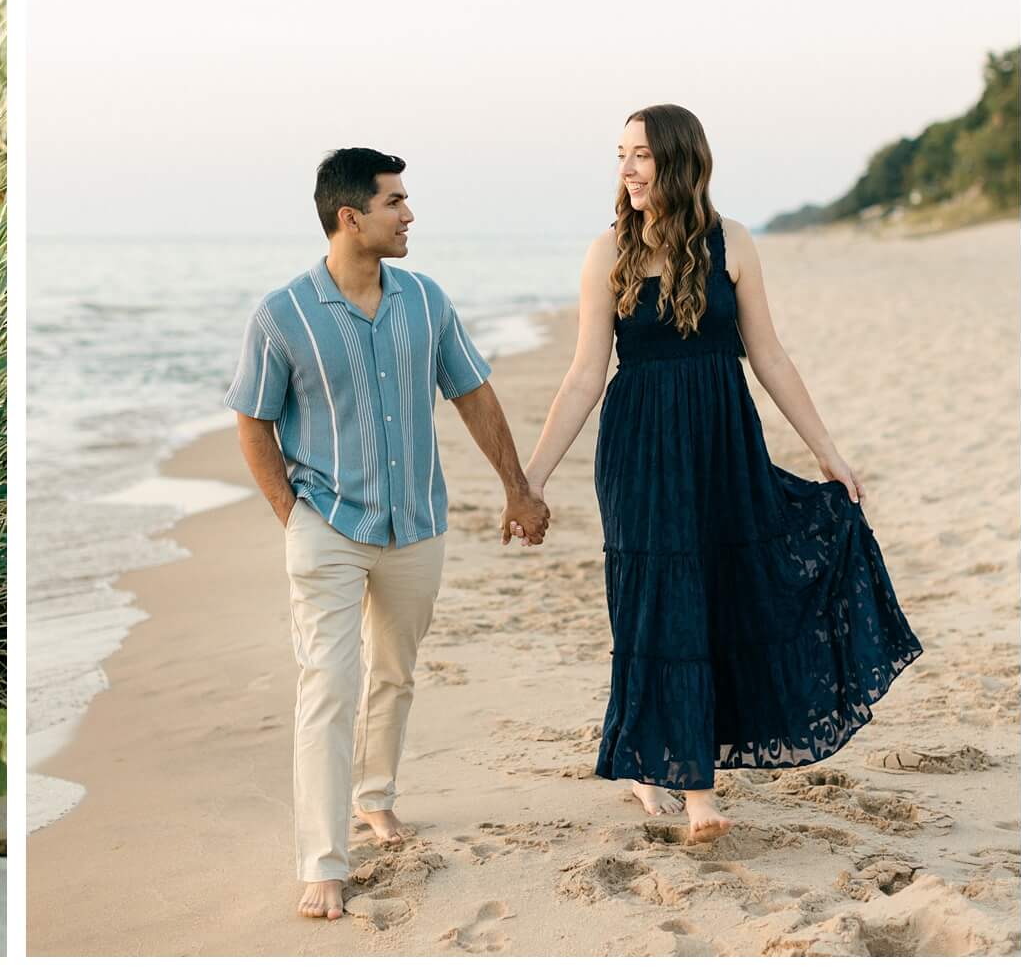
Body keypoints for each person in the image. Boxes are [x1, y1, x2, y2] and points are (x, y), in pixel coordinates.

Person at [521, 104, 922, 844]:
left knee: (724, 590)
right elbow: (584, 374)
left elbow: (768, 355)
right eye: (620, 155)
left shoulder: (731, 242)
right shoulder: (607, 249)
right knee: (659, 599)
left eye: (639, 154)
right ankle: (693, 784)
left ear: (679, 158)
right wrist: (532, 478)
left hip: (721, 442)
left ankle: (660, 758)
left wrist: (826, 449)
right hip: (640, 447)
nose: (627, 169)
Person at [227, 147, 550, 922]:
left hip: (416, 523)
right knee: (328, 686)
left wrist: (517, 487)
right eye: (395, 202)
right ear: (351, 217)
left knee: (394, 674)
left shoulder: (426, 301)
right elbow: (252, 419)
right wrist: (292, 513)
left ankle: (375, 798)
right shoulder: (283, 314)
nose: (409, 215)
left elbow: (473, 394)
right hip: (326, 526)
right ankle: (323, 862)